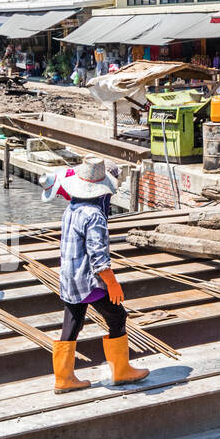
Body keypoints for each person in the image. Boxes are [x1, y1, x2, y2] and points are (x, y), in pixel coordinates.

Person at [51, 158, 150, 393]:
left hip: (68, 279)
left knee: (71, 325)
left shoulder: (72, 209)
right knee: (117, 317)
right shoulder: (94, 214)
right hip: (89, 282)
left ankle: (63, 378)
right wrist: (113, 284)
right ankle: (121, 371)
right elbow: (98, 259)